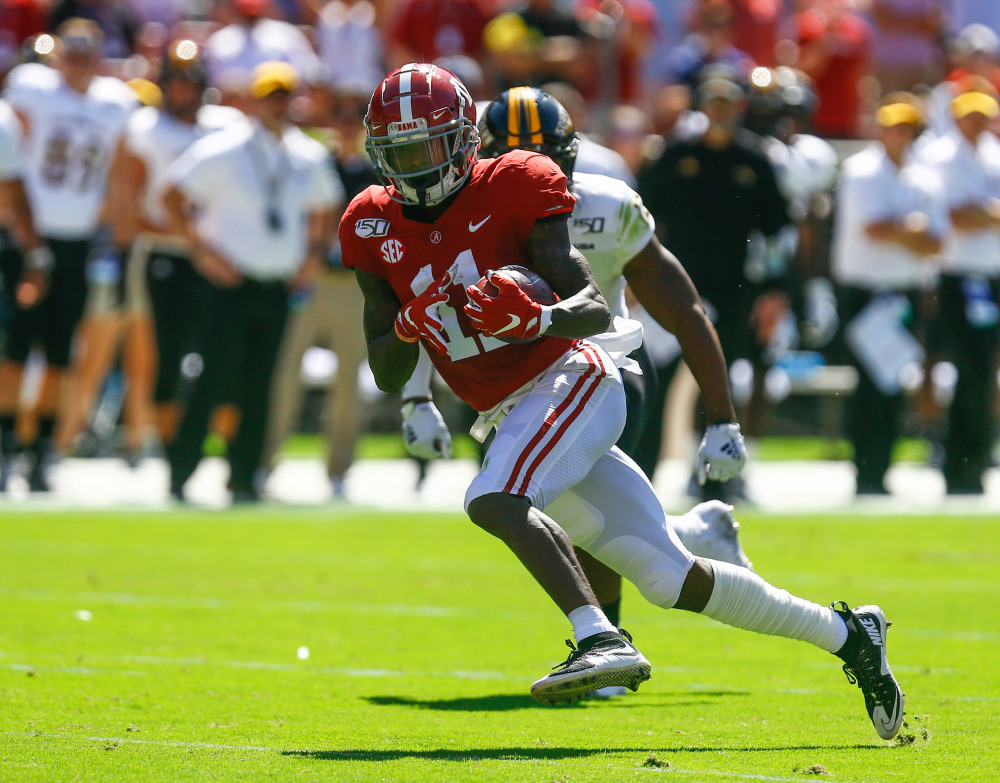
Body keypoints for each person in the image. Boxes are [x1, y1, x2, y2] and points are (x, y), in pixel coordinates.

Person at [341, 63, 905, 739]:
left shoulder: (520, 186)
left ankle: (598, 637)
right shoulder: (370, 223)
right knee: (672, 579)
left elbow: (592, 307)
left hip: (573, 378)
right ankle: (849, 634)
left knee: (493, 497)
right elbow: (383, 365)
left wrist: (537, 318)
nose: (412, 166)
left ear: (464, 141)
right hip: (506, 409)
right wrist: (408, 323)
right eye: (398, 152)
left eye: (426, 148)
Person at [404, 85, 752, 695]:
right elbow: (412, 305)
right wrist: (417, 396)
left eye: (544, 156)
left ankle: (606, 652)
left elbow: (682, 306)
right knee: (576, 516)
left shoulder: (606, 204)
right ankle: (697, 537)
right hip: (508, 387)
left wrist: (722, 417)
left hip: (601, 375)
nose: (529, 170)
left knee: (568, 520)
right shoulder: (454, 212)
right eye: (511, 155)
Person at [161, 61, 342, 503]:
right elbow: (172, 195)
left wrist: (312, 257)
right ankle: (181, 473)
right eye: (270, 96)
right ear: (253, 101)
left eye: (285, 96)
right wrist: (201, 250)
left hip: (277, 284)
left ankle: (244, 477)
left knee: (262, 383)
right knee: (212, 377)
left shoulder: (307, 153)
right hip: (229, 282)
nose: (278, 105)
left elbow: (328, 206)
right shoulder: (224, 147)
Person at [636, 70, 791, 497]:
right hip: (672, 284)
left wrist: (776, 290)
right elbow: (641, 219)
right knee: (655, 375)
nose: (720, 110)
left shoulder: (756, 161)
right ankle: (638, 473)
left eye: (728, 102)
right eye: (713, 101)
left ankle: (719, 475)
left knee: (719, 380)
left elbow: (777, 232)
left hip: (734, 288)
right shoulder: (675, 155)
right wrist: (636, 273)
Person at [0, 19, 137, 492]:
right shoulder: (31, 88)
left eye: (86, 51)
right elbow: (10, 162)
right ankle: (3, 448)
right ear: (57, 53)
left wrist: (118, 242)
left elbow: (118, 179)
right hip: (25, 237)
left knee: (61, 353)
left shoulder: (114, 102)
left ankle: (40, 451)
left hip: (77, 240)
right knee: (15, 349)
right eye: (71, 50)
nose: (77, 60)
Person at [117, 39, 247, 453]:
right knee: (167, 352)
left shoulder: (226, 125)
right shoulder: (145, 129)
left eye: (190, 83)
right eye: (176, 83)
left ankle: (224, 446)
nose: (183, 92)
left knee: (225, 353)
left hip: (219, 256)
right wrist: (184, 235)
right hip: (167, 253)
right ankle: (171, 447)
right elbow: (128, 203)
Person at [831, 93, 947, 496]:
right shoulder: (862, 171)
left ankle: (881, 469)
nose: (898, 134)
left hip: (904, 292)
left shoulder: (924, 176)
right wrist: (911, 232)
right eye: (892, 126)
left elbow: (934, 242)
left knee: (896, 380)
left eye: (905, 127)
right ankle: (864, 470)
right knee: (868, 384)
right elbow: (873, 229)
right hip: (866, 291)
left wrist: (906, 232)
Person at [262, 86, 367, 499]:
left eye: (353, 118)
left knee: (348, 384)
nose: (345, 127)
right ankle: (265, 461)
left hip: (353, 284)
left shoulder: (376, 169)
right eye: (339, 117)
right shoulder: (312, 161)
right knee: (285, 375)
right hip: (313, 278)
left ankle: (339, 469)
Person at [919, 89, 1000, 494]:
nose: (976, 124)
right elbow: (954, 217)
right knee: (962, 369)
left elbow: (975, 214)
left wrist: (982, 213)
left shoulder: (994, 154)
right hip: (953, 277)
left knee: (982, 372)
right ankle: (957, 460)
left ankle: (976, 459)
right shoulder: (941, 157)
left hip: (988, 277)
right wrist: (987, 213)